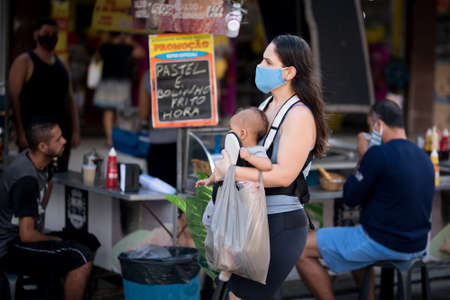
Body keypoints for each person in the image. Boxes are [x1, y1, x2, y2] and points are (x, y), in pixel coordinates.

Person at [214, 34, 329, 300]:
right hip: (255, 220)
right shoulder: (266, 105)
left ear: (289, 72)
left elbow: (284, 175)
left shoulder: (299, 116)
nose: (260, 66)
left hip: (280, 224)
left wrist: (231, 172)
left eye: (267, 61)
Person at [296, 99, 435, 300]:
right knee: (353, 240)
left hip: (382, 242)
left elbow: (350, 198)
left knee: (300, 248)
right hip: (417, 245)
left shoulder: (378, 154)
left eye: (370, 126)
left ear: (378, 125)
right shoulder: (424, 157)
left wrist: (363, 156)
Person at [0, 119, 100, 300]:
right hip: (10, 247)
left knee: (89, 241)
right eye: (58, 139)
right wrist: (56, 239)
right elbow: (27, 235)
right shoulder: (26, 180)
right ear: (43, 147)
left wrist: (40, 212)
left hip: (25, 237)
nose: (64, 141)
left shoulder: (40, 161)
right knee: (80, 255)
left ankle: (64, 287)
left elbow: (48, 181)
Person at [8, 18, 80, 172]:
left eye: (54, 34)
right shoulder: (24, 61)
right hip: (35, 137)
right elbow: (14, 99)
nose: (51, 36)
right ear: (36, 35)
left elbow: (70, 98)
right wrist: (20, 132)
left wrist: (75, 130)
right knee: (32, 177)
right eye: (46, 33)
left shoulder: (63, 64)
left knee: (58, 177)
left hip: (60, 135)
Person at [196, 107, 272, 188]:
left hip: (247, 196)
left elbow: (267, 165)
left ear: (243, 133)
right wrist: (210, 180)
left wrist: (250, 157)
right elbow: (221, 170)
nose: (229, 132)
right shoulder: (232, 150)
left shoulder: (256, 150)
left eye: (231, 129)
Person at [93, 32, 145, 147]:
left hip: (106, 82)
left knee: (108, 111)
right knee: (120, 113)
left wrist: (103, 42)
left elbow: (96, 58)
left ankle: (109, 139)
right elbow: (141, 53)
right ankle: (118, 138)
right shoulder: (126, 47)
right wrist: (131, 41)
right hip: (122, 83)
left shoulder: (105, 46)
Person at [138, 69, 178, 187]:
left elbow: (143, 112)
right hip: (190, 142)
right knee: (188, 197)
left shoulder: (150, 73)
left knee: (160, 196)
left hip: (159, 141)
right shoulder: (198, 70)